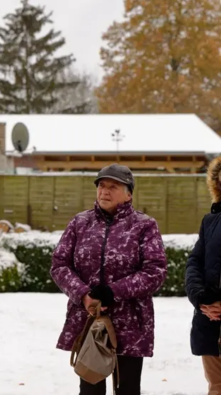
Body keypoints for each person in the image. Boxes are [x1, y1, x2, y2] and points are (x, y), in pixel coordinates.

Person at [50, 164, 168, 395]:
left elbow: (155, 271)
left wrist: (113, 291)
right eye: (101, 185)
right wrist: (83, 294)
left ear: (129, 193)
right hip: (90, 320)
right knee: (90, 387)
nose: (104, 191)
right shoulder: (79, 223)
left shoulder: (144, 225)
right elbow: (59, 264)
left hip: (131, 322)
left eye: (113, 186)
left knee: (128, 388)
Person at [186, 157, 221, 395]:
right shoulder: (210, 221)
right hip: (210, 322)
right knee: (217, 387)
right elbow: (194, 262)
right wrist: (201, 298)